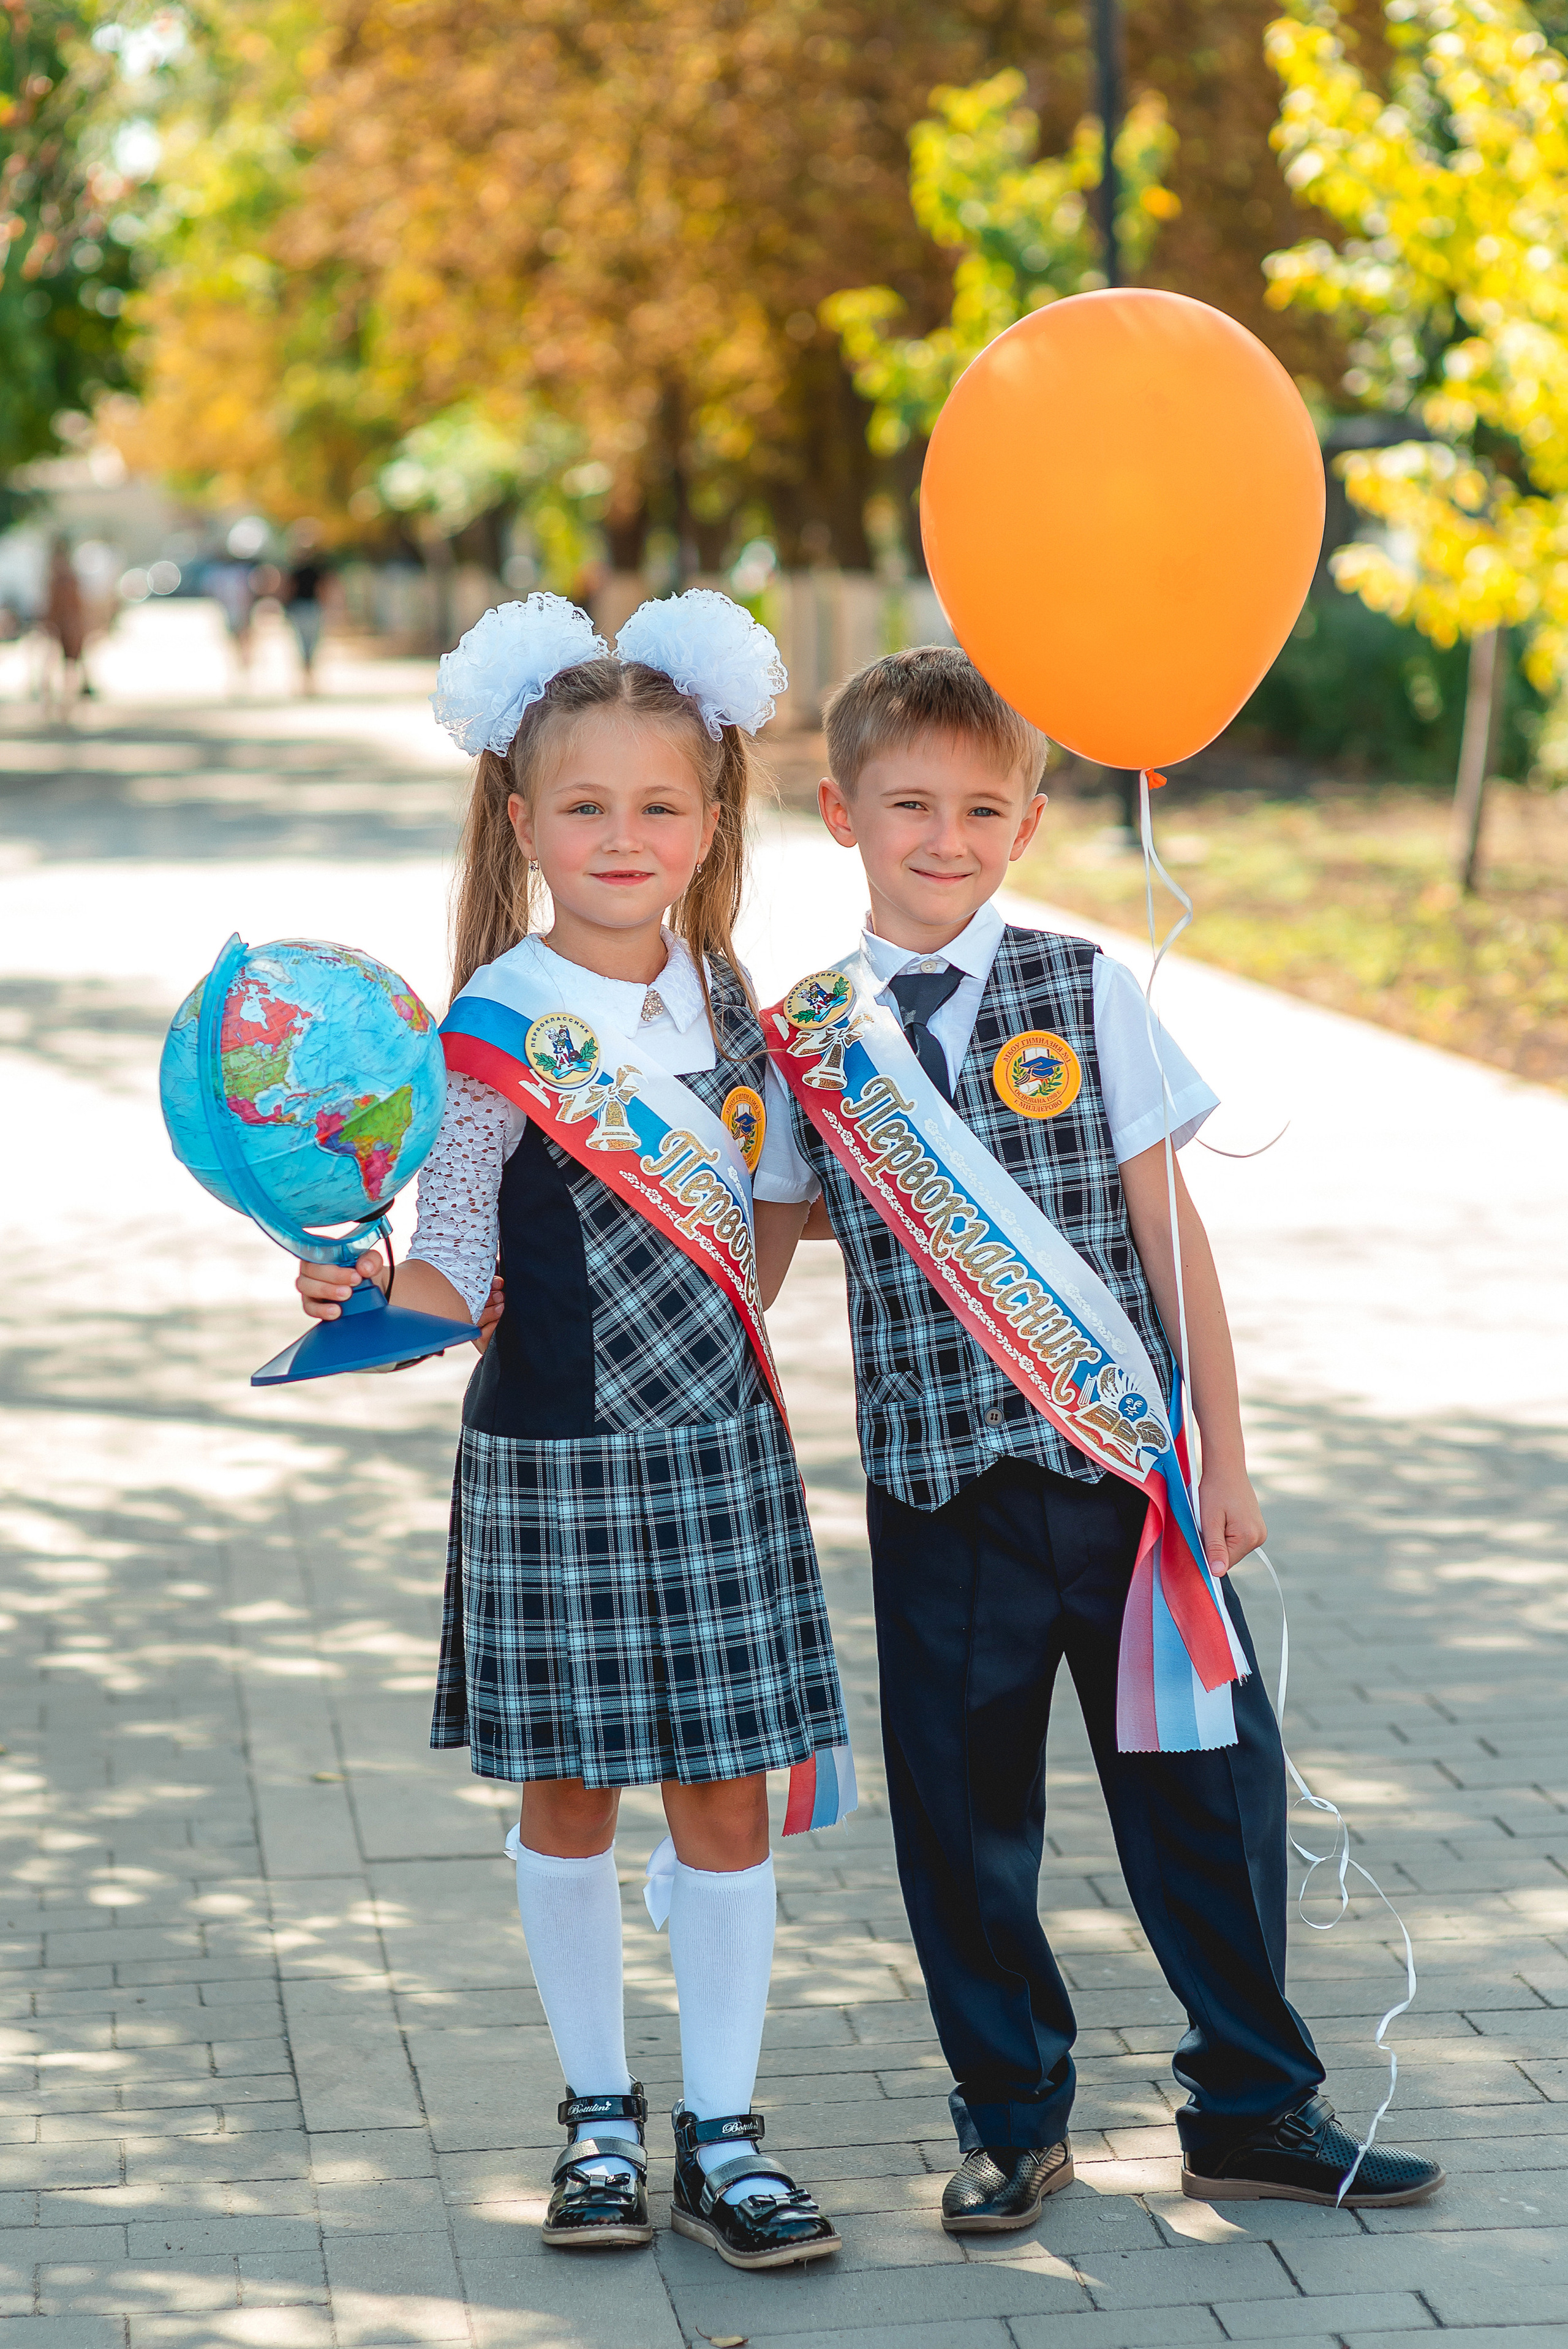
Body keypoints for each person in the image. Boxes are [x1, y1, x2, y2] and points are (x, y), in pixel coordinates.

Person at [752, 646, 1444, 2226]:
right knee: (965, 1820)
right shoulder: (806, 1041)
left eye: (981, 807)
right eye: (909, 802)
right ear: (839, 808)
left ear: (1034, 821)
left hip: (1122, 1485)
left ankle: (1257, 2105)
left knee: (1209, 1792)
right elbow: (760, 1252)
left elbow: (1170, 1231)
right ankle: (1012, 2113)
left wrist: (1229, 1453)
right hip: (939, 1501)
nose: (946, 834)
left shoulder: (1090, 992)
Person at [294, 589, 850, 2269]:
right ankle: (600, 2118)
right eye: (587, 805)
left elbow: (765, 1219)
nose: (625, 834)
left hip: (720, 1457)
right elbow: (454, 1259)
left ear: (710, 819)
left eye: (659, 804)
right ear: (524, 820)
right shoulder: (482, 1029)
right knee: (570, 1798)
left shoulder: (734, 1007)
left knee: (729, 1801)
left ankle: (729, 2133)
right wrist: (374, 1304)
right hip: (546, 1460)